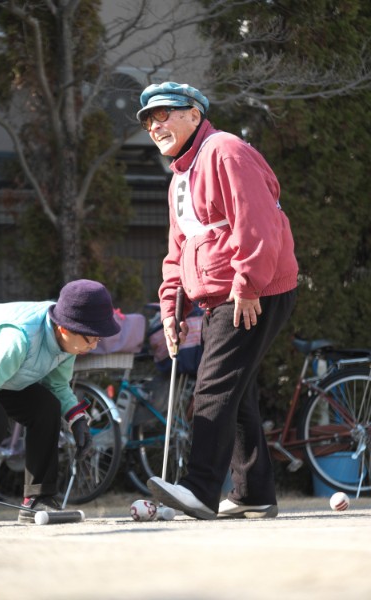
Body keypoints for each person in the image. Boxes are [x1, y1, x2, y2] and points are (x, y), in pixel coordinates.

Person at [136, 82, 299, 520]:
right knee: (235, 392)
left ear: (194, 113)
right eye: (149, 120)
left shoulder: (225, 151)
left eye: (165, 113)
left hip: (250, 292)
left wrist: (247, 283)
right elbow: (178, 249)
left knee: (214, 388)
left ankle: (199, 488)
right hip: (219, 294)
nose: (156, 125)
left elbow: (257, 222)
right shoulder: (180, 177)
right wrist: (172, 307)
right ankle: (253, 493)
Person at [0, 279, 120, 523]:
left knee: (46, 407)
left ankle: (38, 500)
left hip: (2, 372)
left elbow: (58, 385)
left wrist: (77, 419)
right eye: (89, 338)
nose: (93, 345)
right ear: (65, 328)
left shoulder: (70, 342)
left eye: (98, 339)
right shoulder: (18, 339)